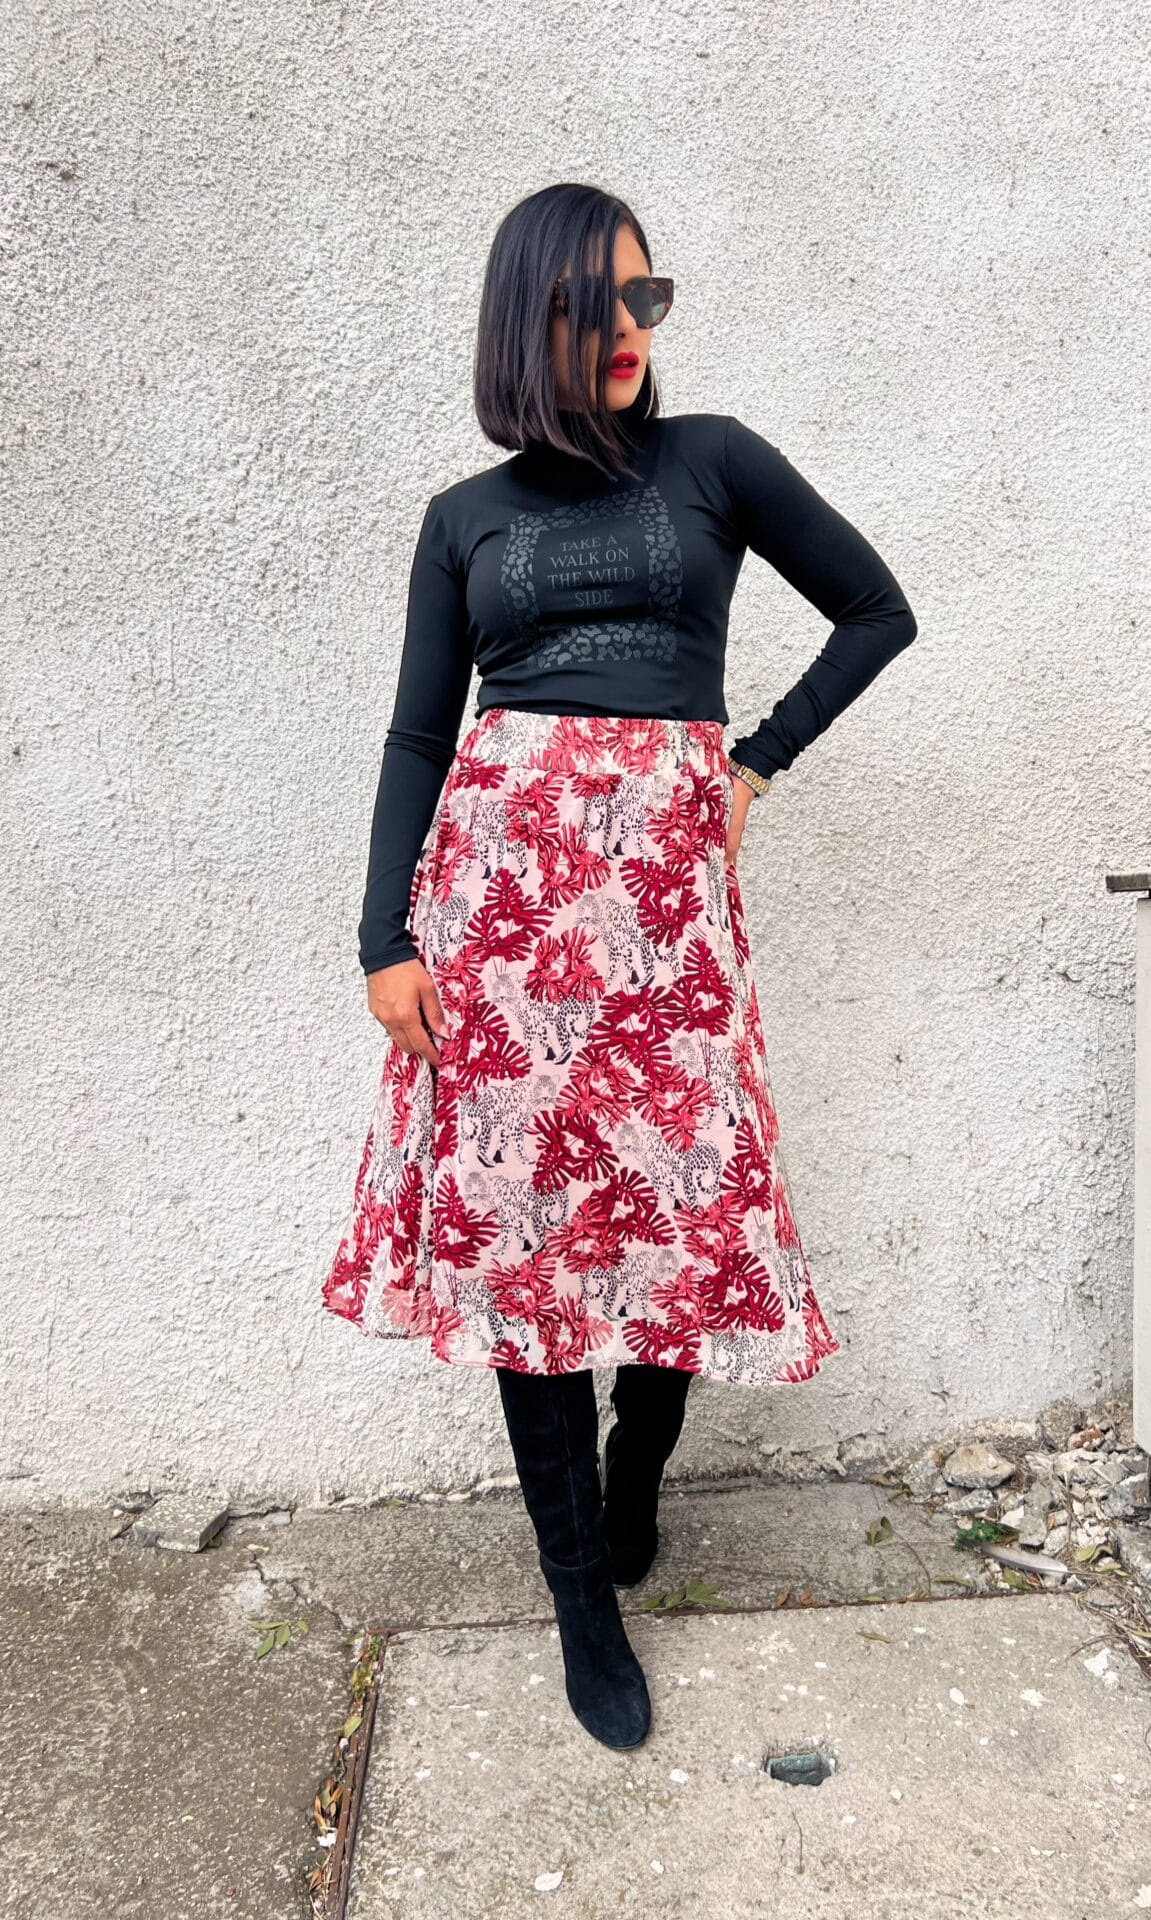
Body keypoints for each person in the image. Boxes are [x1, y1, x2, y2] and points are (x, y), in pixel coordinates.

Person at [323, 182, 918, 1751]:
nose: (635, 329)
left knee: (682, 1204)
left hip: (667, 924)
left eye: (650, 298)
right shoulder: (463, 518)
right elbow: (417, 735)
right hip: (499, 930)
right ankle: (579, 1588)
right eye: (602, 302)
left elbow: (877, 611)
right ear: (534, 319)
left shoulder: (715, 459)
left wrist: (754, 762)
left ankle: (638, 1467)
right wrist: (384, 938)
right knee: (527, 1239)